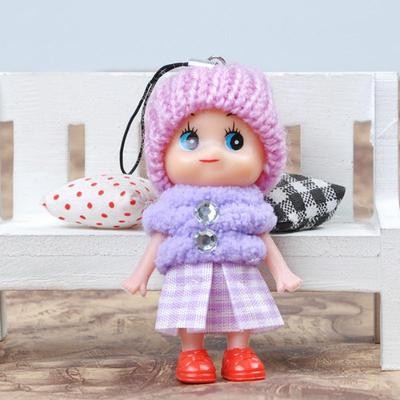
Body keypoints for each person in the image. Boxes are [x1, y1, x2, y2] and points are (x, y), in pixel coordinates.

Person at [122, 62, 302, 384]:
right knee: (188, 309)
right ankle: (192, 352)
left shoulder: (248, 202)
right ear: (161, 154)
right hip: (187, 268)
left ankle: (239, 350)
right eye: (190, 140)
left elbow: (263, 235)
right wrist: (140, 275)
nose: (212, 154)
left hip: (238, 267)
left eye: (235, 142)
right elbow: (159, 237)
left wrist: (282, 272)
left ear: (265, 154)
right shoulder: (174, 204)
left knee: (241, 307)